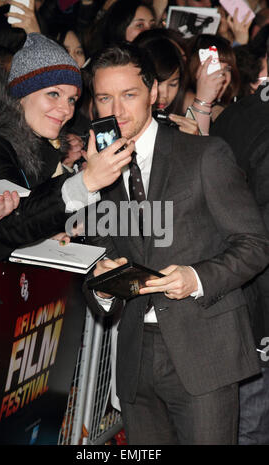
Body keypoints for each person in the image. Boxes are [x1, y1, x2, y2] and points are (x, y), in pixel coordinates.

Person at [82, 42, 269, 445]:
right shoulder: (98, 174)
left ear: (153, 93)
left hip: (205, 352)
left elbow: (255, 244)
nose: (117, 109)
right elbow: (96, 259)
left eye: (129, 95)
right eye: (104, 98)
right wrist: (100, 280)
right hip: (134, 358)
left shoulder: (204, 155)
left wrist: (196, 277)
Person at [0, 33, 133, 346]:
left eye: (72, 99)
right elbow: (13, 221)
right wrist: (84, 183)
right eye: (53, 94)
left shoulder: (43, 151)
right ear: (20, 94)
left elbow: (33, 221)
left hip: (11, 328)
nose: (66, 109)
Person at [210, 48, 269, 444]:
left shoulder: (239, 113)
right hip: (254, 299)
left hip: (244, 299)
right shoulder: (249, 118)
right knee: (251, 421)